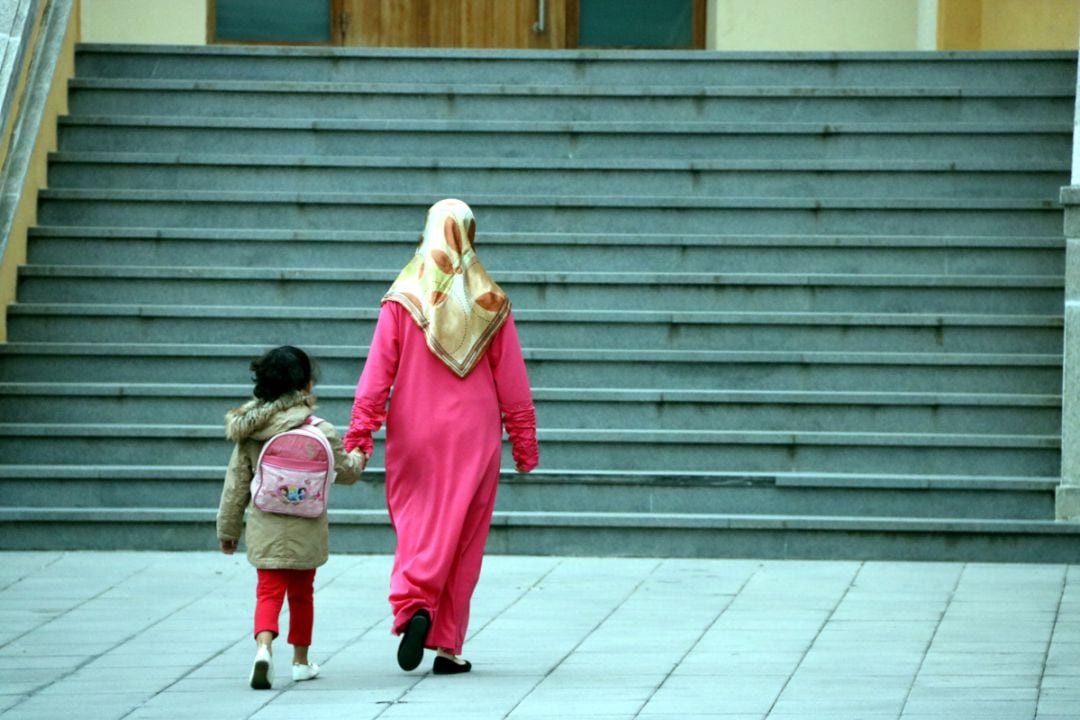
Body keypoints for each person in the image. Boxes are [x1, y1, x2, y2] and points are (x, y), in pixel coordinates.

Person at [344, 198, 539, 675]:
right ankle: (448, 644)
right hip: (475, 433)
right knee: (464, 534)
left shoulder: (401, 299)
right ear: (470, 235)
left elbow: (376, 376)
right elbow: (512, 380)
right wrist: (525, 443)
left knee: (417, 521)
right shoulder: (491, 302)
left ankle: (414, 607)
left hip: (414, 430)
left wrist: (361, 434)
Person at [217, 345, 368, 689]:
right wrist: (360, 456)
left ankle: (263, 649)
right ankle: (300, 661)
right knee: (303, 594)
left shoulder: (252, 433)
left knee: (268, 593)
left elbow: (236, 485)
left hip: (264, 524)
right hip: (307, 527)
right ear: (305, 385)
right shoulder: (320, 428)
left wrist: (227, 531)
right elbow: (345, 472)